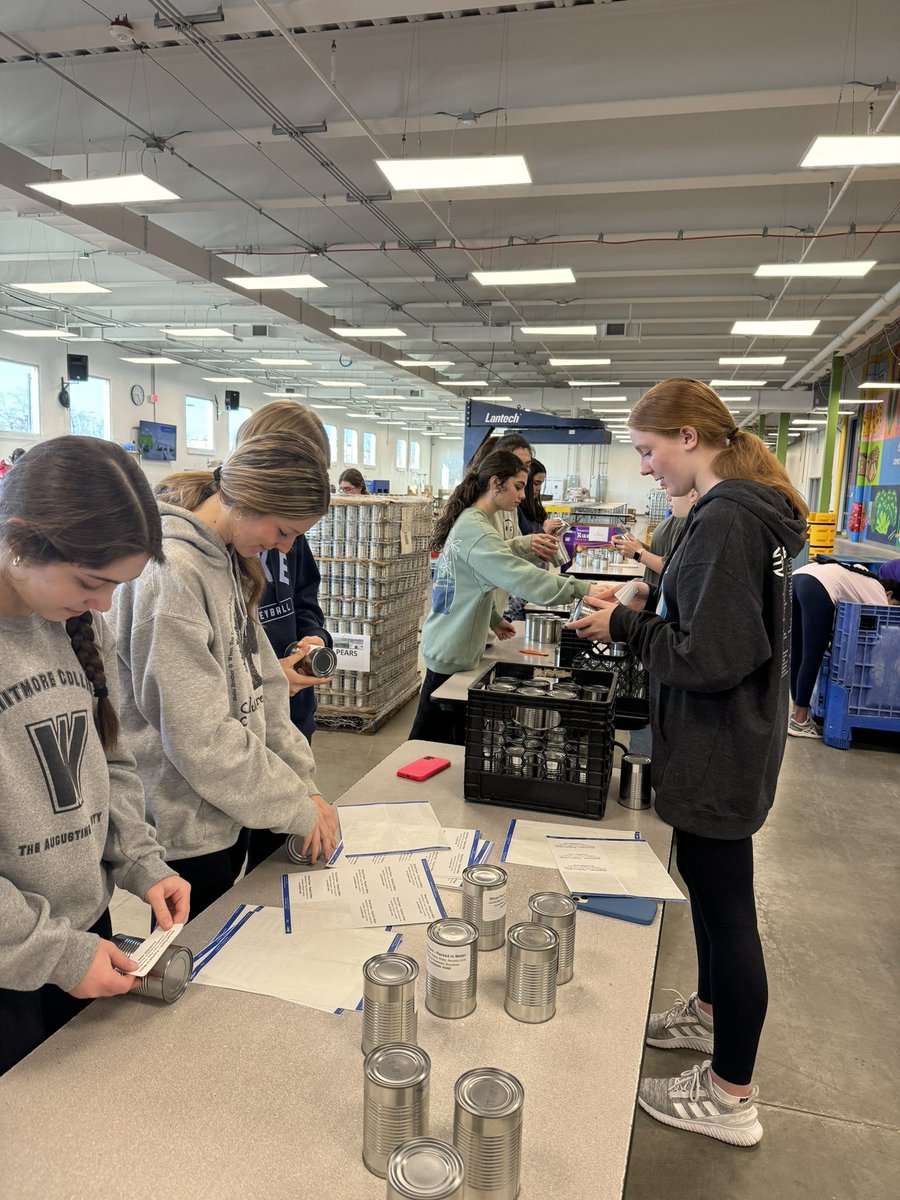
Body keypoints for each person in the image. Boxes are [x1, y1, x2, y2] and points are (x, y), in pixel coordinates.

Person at [570, 378, 807, 1147]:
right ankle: (709, 1015)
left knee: (729, 910)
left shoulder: (725, 521)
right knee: (708, 895)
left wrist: (625, 625)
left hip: (718, 743)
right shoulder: (737, 515)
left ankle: (733, 1094)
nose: (645, 468)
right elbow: (717, 614)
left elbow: (709, 655)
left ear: (689, 438)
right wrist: (652, 590)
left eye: (647, 450)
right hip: (732, 737)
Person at [0, 436, 190, 1076]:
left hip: (84, 935)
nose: (105, 605)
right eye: (91, 582)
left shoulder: (73, 621)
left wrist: (141, 859)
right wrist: (52, 954)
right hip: (11, 965)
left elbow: (108, 762)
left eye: (118, 586)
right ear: (21, 540)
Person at [110, 432, 339, 918]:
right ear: (248, 500)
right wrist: (295, 805)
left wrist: (306, 785)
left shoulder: (227, 561)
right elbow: (199, 738)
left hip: (229, 809)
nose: (285, 547)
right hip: (185, 825)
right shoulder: (173, 577)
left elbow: (266, 689)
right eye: (282, 531)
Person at [409, 450, 597, 743]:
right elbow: (519, 576)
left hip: (445, 644)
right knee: (432, 746)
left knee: (436, 741)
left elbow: (469, 578)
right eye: (519, 486)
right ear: (496, 483)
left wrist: (494, 618)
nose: (523, 495)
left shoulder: (473, 521)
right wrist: (584, 589)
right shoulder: (477, 530)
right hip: (452, 651)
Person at [233, 401, 335, 871]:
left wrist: (314, 640)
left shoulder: (290, 535)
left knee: (275, 867)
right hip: (237, 741)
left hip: (290, 719)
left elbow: (304, 600)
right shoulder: (227, 545)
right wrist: (270, 679)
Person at [789, 558, 897, 737]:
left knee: (798, 652)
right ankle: (800, 720)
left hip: (799, 578)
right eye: (895, 605)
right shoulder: (879, 592)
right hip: (818, 587)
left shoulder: (860, 575)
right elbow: (881, 636)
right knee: (812, 656)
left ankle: (796, 714)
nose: (893, 609)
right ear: (890, 594)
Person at [467, 433, 558, 628]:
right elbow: (494, 562)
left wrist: (538, 553)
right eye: (518, 464)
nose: (524, 471)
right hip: (472, 619)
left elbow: (514, 554)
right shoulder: (476, 514)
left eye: (527, 465)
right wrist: (573, 589)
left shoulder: (511, 507)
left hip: (492, 613)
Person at [612, 489, 698, 589]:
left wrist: (638, 553)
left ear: (692, 494)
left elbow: (672, 568)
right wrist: (634, 546)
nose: (667, 497)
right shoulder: (677, 515)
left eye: (670, 490)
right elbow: (663, 553)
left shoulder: (684, 521)